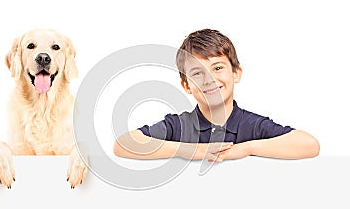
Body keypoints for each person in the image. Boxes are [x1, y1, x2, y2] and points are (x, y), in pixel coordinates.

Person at [113, 29, 319, 162]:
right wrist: (195, 151)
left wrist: (245, 149)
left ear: (236, 73)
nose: (209, 79)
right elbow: (123, 144)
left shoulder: (252, 125)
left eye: (218, 68)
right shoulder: (179, 125)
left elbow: (309, 144)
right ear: (186, 85)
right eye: (197, 73)